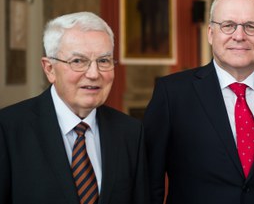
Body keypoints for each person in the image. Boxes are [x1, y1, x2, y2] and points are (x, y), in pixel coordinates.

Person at [144, 0, 254, 204]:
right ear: (211, 33)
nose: (239, 36)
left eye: (251, 26)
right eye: (228, 25)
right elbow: (149, 182)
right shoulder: (172, 94)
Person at [0, 12, 149, 203]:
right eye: (78, 61)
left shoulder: (130, 132)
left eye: (103, 61)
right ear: (49, 69)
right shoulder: (7, 129)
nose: (94, 74)